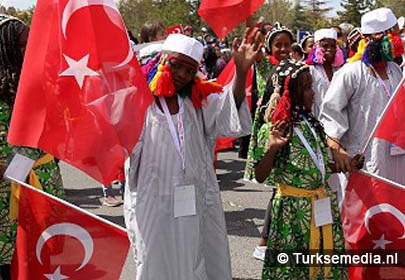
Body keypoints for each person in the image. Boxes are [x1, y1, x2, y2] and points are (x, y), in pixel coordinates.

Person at [124, 33, 258, 280]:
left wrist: (240, 72)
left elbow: (228, 110)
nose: (183, 75)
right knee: (154, 262)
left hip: (196, 199)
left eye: (190, 70)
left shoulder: (198, 100)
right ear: (162, 61)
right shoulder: (140, 100)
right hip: (153, 202)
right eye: (176, 65)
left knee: (197, 259)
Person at [250, 59, 362, 280]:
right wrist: (272, 149)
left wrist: (343, 165)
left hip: (321, 205)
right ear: (291, 92)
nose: (314, 93)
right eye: (308, 87)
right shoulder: (275, 128)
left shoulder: (311, 124)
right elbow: (260, 175)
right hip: (293, 214)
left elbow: (313, 165)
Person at [0, 14, 65, 279]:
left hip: (42, 186)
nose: (29, 49)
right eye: (21, 44)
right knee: (9, 263)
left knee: (42, 260)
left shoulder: (42, 83)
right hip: (5, 196)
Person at [321, 7, 405, 191]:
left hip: (398, 158)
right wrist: (336, 149)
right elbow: (331, 114)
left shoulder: (395, 70)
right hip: (365, 161)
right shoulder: (351, 72)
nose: (399, 41)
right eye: (394, 35)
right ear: (378, 38)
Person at [243, 22, 294, 260]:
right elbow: (255, 50)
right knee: (279, 188)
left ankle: (281, 239)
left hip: (291, 131)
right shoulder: (266, 67)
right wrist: (254, 29)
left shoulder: (296, 68)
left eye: (287, 44)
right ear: (270, 47)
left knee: (286, 187)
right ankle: (264, 242)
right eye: (278, 45)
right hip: (272, 133)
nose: (283, 49)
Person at [305, 28, 346, 117]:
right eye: (325, 46)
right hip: (317, 118)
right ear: (317, 47)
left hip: (338, 120)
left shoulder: (340, 70)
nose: (329, 49)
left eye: (333, 46)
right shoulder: (310, 70)